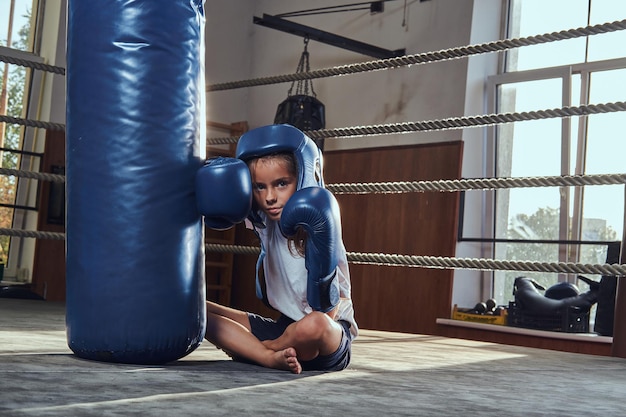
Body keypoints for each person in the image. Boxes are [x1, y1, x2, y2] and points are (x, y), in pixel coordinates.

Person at [198, 124, 357, 374]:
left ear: (302, 177)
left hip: (327, 339)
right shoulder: (263, 220)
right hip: (284, 328)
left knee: (314, 324)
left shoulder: (317, 220)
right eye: (260, 187)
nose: (270, 197)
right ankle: (268, 355)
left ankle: (261, 350)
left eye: (281, 183)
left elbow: (328, 312)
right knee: (195, 308)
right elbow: (224, 202)